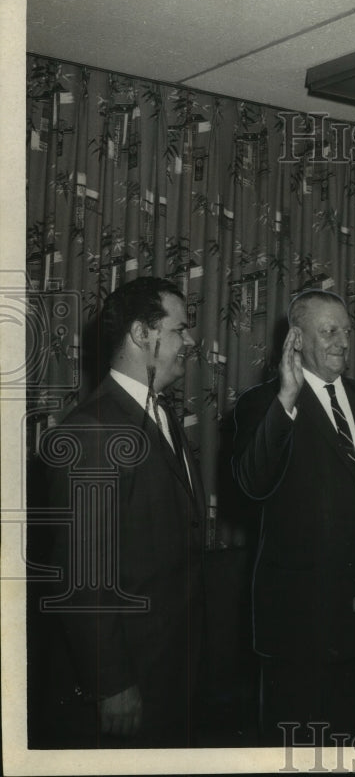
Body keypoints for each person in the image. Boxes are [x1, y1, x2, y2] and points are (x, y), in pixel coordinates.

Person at [232, 290, 355, 744]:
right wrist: (287, 399)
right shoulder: (261, 404)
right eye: (329, 331)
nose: (343, 342)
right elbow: (252, 482)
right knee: (296, 748)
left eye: (347, 331)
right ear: (296, 338)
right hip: (300, 625)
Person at [38, 276, 205, 747]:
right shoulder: (93, 431)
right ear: (140, 334)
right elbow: (81, 576)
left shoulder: (161, 414)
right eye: (180, 329)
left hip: (170, 671)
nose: (190, 341)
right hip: (127, 685)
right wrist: (109, 683)